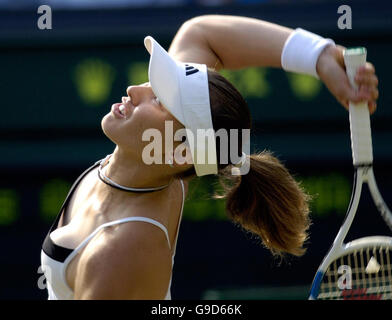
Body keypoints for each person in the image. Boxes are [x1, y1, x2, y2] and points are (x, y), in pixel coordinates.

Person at [40, 15, 379, 300]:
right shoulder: (166, 164)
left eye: (160, 99)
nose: (135, 90)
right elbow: (202, 34)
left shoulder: (123, 250)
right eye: (153, 83)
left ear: (179, 152)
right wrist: (319, 56)